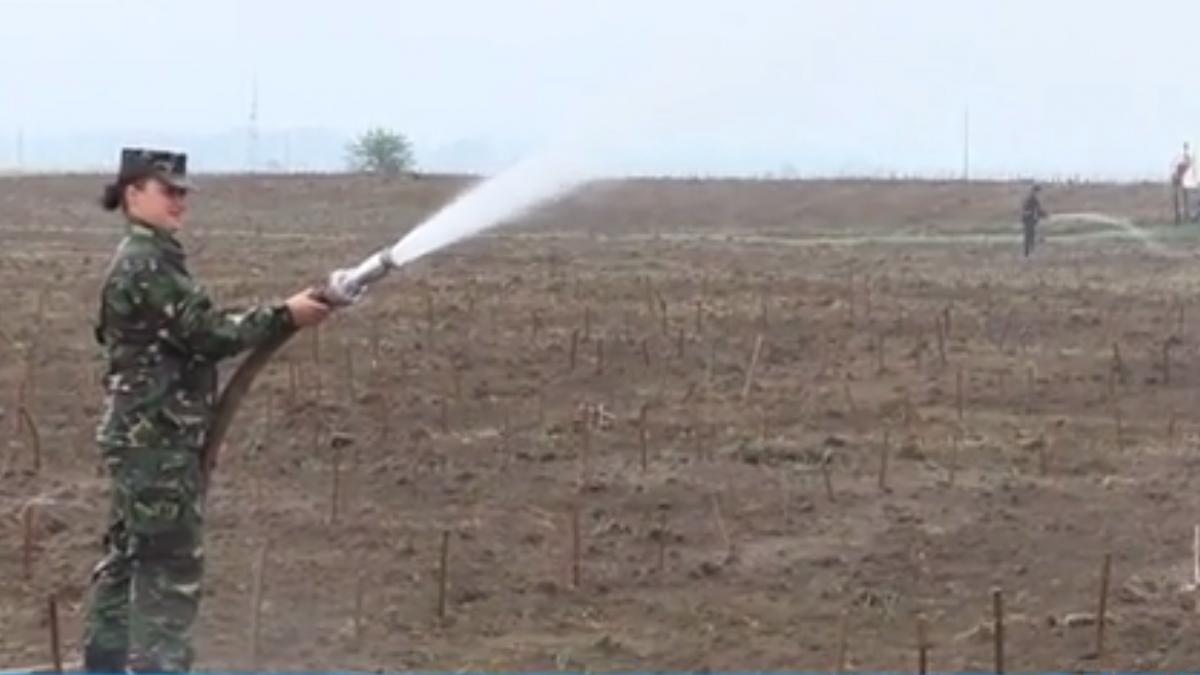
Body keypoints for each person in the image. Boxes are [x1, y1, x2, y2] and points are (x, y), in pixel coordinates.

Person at [81, 148, 331, 672]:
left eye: (182, 192)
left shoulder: (153, 257)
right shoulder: (146, 264)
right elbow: (209, 334)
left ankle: (102, 665)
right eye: (167, 190)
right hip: (155, 442)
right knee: (168, 566)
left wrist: (288, 313)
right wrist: (286, 315)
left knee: (130, 556)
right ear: (132, 193)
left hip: (146, 439)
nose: (179, 201)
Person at [1021, 183, 1048, 257]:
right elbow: (1033, 210)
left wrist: (1043, 214)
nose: (1039, 194)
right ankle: (1027, 254)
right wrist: (1043, 214)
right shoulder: (1031, 199)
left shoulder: (1032, 199)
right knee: (1029, 237)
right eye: (1038, 192)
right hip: (1029, 220)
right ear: (1035, 191)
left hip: (1031, 220)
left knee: (1031, 237)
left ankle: (1029, 253)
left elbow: (1037, 210)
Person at [1172, 142, 1193, 224]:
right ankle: (1181, 216)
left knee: (1185, 198)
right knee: (1182, 198)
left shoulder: (1187, 158)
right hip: (1182, 181)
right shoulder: (1183, 158)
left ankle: (1185, 215)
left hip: (1185, 181)